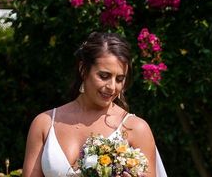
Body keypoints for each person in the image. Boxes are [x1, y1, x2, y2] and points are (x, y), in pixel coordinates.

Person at [22, 32, 167, 177]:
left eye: (119, 79)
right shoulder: (44, 124)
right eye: (104, 76)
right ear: (83, 69)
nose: (112, 86)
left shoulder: (136, 129)